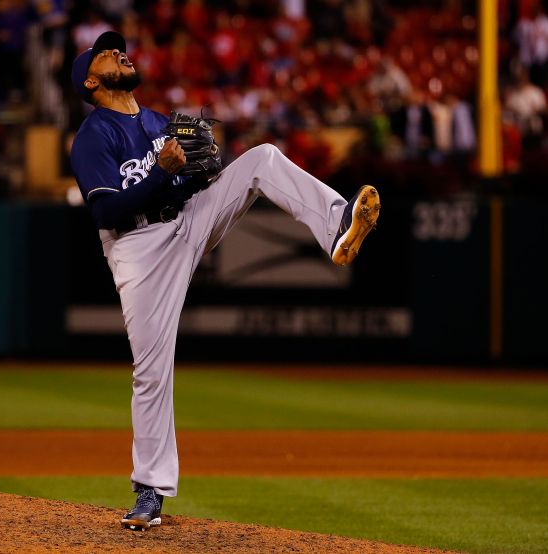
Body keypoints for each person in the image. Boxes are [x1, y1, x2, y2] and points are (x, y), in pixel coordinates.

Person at [70, 31, 380, 531]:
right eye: (106, 53)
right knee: (151, 371)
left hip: (187, 219)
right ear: (90, 81)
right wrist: (161, 174)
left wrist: (200, 173)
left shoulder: (158, 122)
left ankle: (338, 224)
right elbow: (106, 211)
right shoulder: (93, 136)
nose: (119, 53)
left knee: (262, 159)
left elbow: (184, 182)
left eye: (119, 48)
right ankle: (149, 490)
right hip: (138, 248)